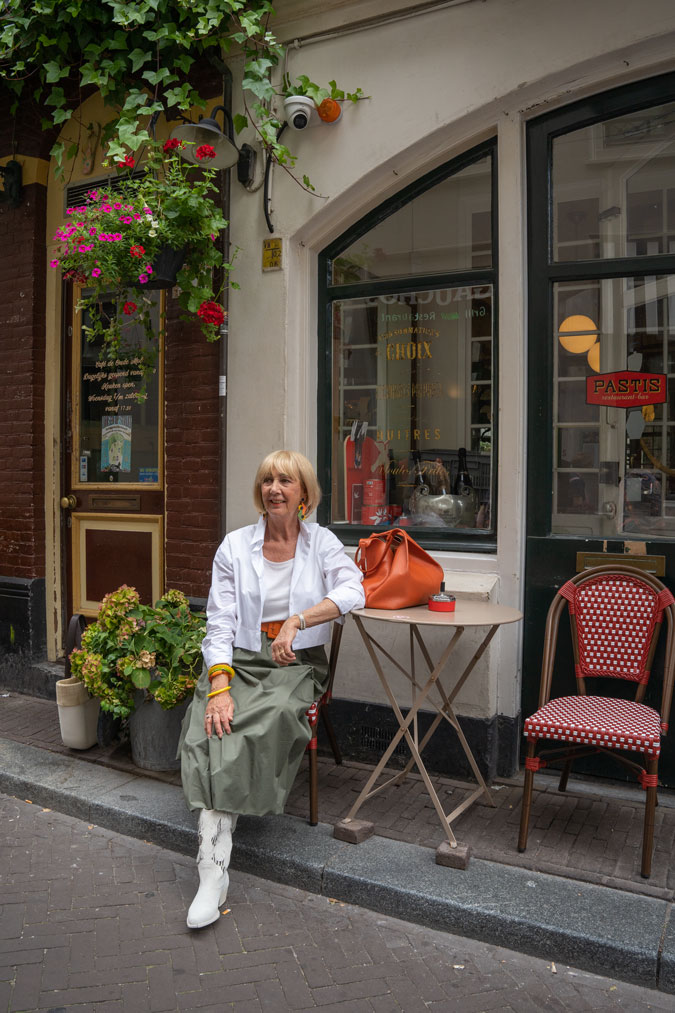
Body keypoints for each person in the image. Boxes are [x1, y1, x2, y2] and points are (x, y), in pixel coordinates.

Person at [179, 450, 365, 929]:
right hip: (237, 659)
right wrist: (219, 685)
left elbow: (353, 591)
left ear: (304, 493)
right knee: (211, 724)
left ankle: (212, 867)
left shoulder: (322, 543)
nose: (274, 489)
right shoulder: (235, 546)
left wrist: (297, 622)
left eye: (285, 480)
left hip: (295, 664)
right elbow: (219, 621)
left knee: (265, 717)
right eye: (266, 480)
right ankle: (213, 871)